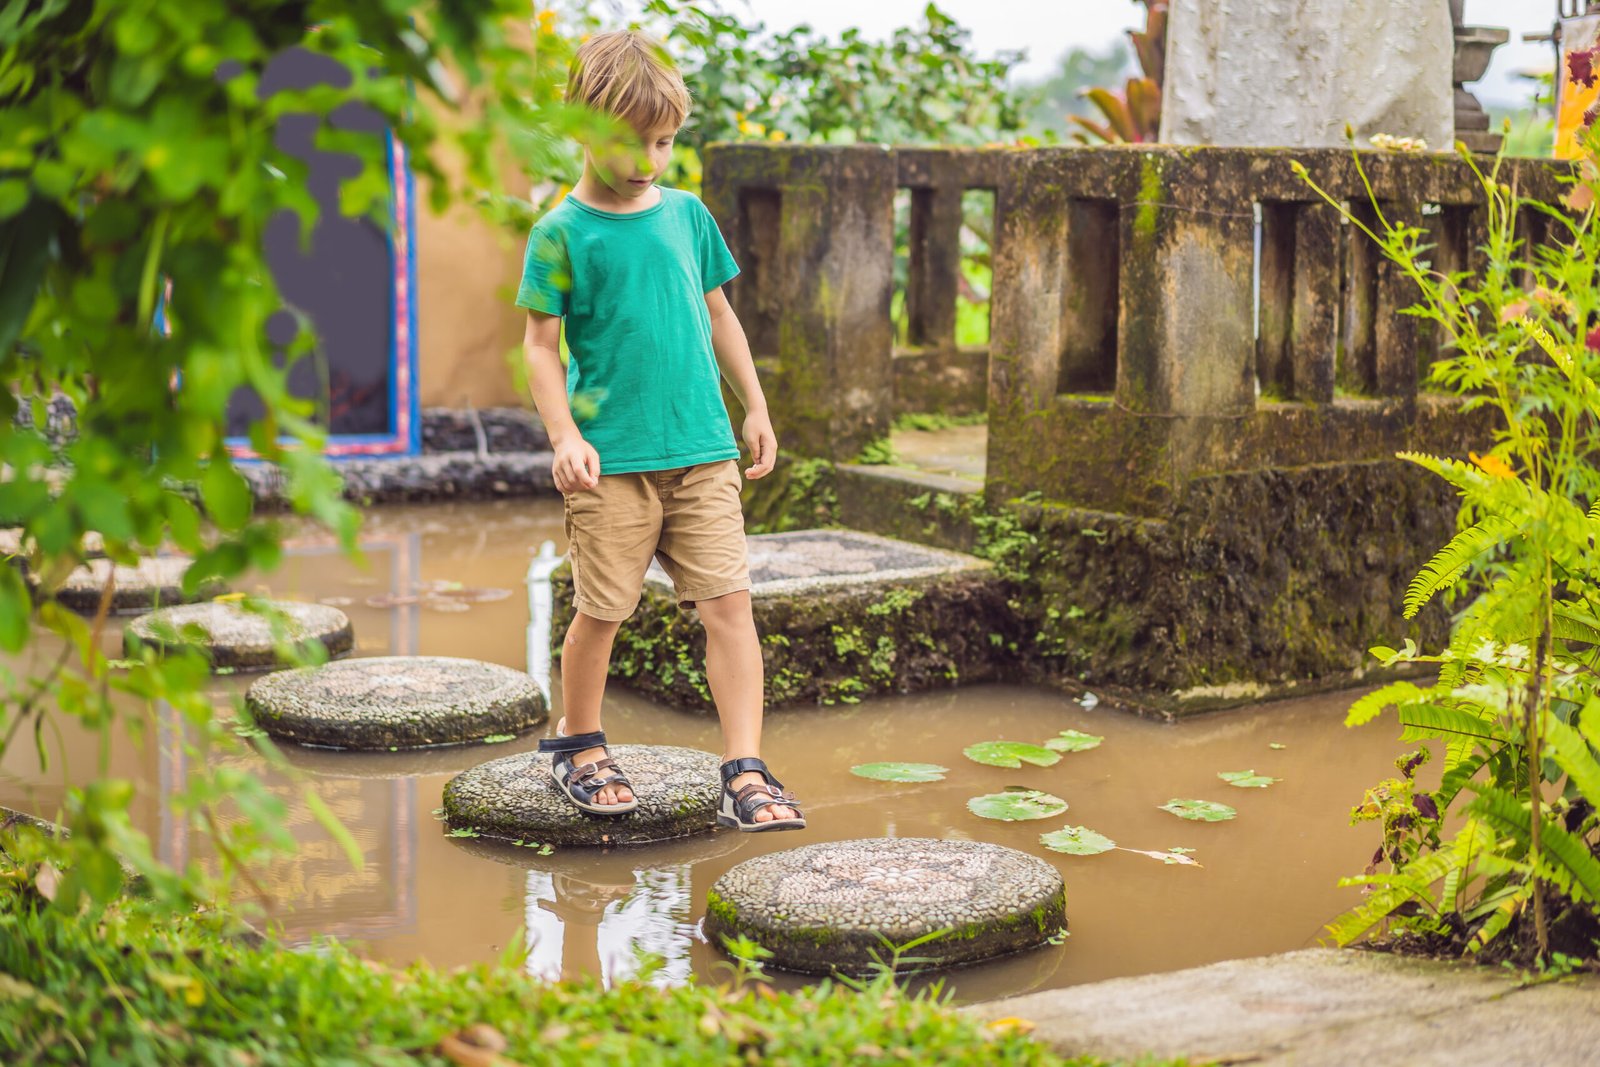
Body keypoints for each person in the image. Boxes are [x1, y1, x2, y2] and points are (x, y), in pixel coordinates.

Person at [517, 29, 803, 832]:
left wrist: (755, 404)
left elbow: (719, 315)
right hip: (612, 464)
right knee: (602, 611)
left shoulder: (686, 215)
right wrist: (564, 436)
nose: (648, 159)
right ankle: (579, 741)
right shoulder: (561, 232)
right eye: (629, 141)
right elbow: (540, 347)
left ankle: (744, 766)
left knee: (730, 608)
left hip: (703, 451)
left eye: (664, 141)